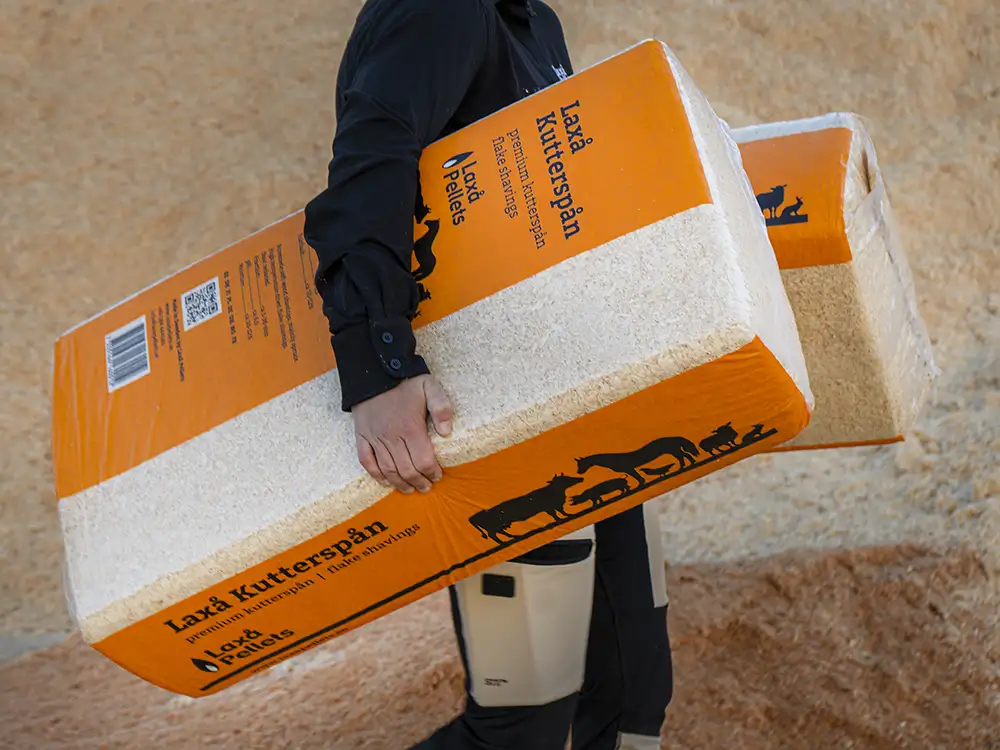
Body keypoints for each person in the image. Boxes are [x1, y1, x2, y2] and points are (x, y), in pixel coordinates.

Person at [303, 1, 673, 747]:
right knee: (523, 722)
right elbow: (368, 168)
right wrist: (379, 369)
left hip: (581, 398)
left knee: (634, 694)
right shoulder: (439, 9)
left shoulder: (534, 22)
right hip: (495, 420)